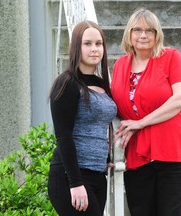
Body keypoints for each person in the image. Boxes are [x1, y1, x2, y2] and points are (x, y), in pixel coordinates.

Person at [111, 8, 181, 216]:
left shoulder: (170, 57)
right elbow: (112, 108)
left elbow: (180, 98)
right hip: (138, 153)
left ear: (157, 34)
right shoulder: (120, 65)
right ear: (129, 34)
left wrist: (140, 122)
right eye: (137, 30)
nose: (143, 35)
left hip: (177, 149)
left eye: (149, 30)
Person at [47, 20, 117, 216]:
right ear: (76, 46)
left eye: (98, 43)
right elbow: (64, 136)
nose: (94, 49)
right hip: (72, 176)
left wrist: (107, 156)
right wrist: (75, 183)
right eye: (87, 43)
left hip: (97, 175)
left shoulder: (102, 84)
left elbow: (98, 123)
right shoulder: (67, 83)